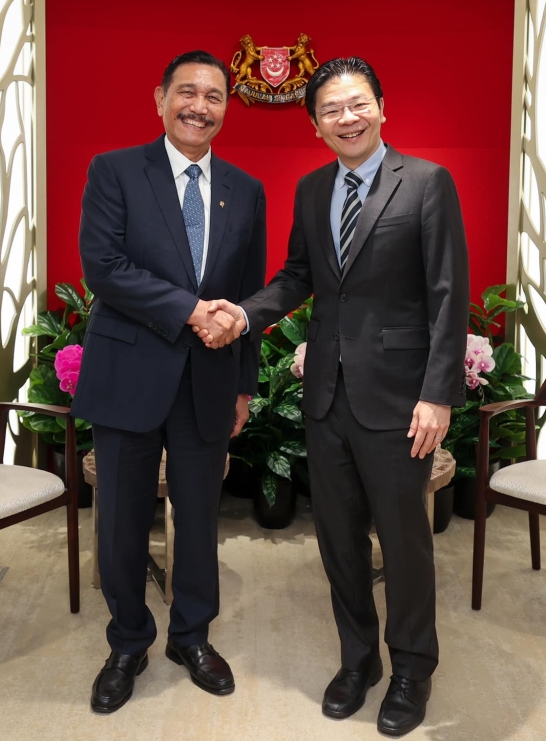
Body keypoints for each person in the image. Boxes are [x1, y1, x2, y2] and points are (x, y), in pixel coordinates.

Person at [198, 56, 469, 736]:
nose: (346, 118)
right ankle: (359, 660)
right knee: (340, 541)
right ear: (316, 125)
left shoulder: (429, 183)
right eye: (330, 111)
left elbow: (447, 295)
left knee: (404, 544)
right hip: (326, 398)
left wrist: (438, 395)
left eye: (357, 105)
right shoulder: (314, 189)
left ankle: (411, 667)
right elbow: (297, 277)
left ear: (382, 106)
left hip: (402, 401)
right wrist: (244, 313)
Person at [70, 50, 266, 714]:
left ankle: (192, 636)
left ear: (225, 109)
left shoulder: (246, 189)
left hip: (208, 382)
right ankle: (128, 642)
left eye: (214, 96)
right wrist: (188, 310)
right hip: (128, 376)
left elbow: (248, 299)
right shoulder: (116, 171)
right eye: (187, 92)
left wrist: (243, 384)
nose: (199, 106)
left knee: (201, 520)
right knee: (121, 523)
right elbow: (104, 266)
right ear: (160, 98)